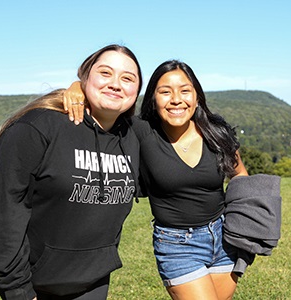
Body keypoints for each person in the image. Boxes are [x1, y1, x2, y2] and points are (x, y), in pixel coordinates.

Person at [64, 60, 249, 300]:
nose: (176, 99)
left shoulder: (215, 131)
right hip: (178, 246)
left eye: (185, 90)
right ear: (153, 97)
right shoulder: (140, 130)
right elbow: (105, 106)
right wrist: (77, 88)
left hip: (224, 239)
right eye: (165, 92)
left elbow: (240, 175)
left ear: (197, 96)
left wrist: (244, 224)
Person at [0, 44, 143, 300]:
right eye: (105, 73)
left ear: (137, 90)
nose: (115, 84)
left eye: (127, 78)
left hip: (94, 282)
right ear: (85, 78)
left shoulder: (133, 136)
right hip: (36, 286)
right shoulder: (37, 128)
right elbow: (4, 215)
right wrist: (18, 291)